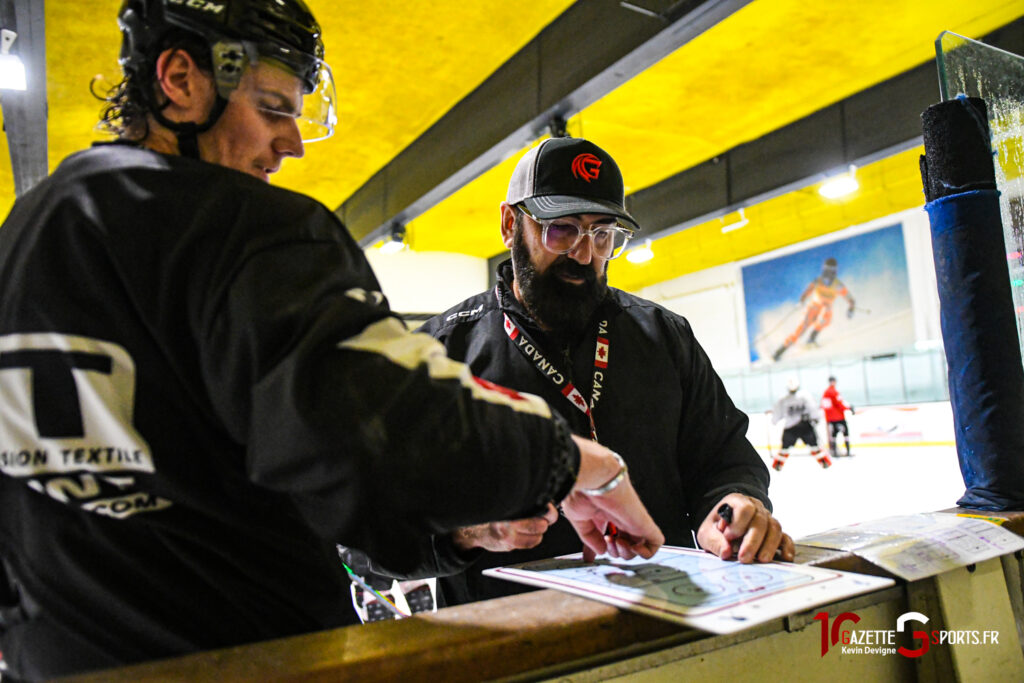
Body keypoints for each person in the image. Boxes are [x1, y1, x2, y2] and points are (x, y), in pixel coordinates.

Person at [0, 3, 663, 679]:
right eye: (271, 106)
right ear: (179, 79)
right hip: (250, 659)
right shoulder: (242, 229)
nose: (291, 141)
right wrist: (579, 465)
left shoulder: (25, 234)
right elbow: (391, 433)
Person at [412, 136, 793, 608]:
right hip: (505, 644)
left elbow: (722, 454)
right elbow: (371, 531)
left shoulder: (664, 335)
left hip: (662, 624)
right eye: (562, 229)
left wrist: (731, 505)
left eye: (603, 233)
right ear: (511, 225)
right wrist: (470, 530)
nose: (584, 254)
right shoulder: (441, 353)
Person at [772, 257, 855, 361]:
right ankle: (780, 351)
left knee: (826, 316)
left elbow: (850, 299)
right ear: (824, 270)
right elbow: (807, 292)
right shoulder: (818, 281)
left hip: (826, 309)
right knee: (801, 330)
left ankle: (811, 338)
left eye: (832, 271)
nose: (830, 274)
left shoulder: (838, 285)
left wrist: (851, 309)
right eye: (828, 271)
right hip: (813, 308)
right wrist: (801, 301)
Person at [770, 378, 831, 471]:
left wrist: (774, 420)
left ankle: (777, 465)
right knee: (814, 446)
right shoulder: (805, 396)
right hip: (805, 426)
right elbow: (813, 408)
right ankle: (824, 463)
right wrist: (816, 418)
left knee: (785, 448)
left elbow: (778, 413)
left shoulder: (784, 399)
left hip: (790, 427)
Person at [822, 375, 855, 457]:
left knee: (833, 435)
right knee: (845, 433)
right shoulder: (834, 392)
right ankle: (847, 452)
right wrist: (849, 408)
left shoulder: (825, 392)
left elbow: (825, 406)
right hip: (838, 417)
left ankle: (834, 452)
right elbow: (839, 403)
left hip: (830, 418)